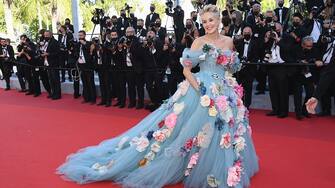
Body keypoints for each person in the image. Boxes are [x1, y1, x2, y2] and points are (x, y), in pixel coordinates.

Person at [57, 4, 258, 188]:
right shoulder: (198, 42)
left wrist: (229, 72)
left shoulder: (229, 41)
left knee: (222, 129)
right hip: (201, 89)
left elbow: (231, 67)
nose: (208, 25)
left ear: (219, 20)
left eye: (211, 20)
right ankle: (189, 163)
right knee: (184, 130)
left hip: (225, 90)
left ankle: (216, 163)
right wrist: (201, 90)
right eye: (204, 21)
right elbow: (187, 71)